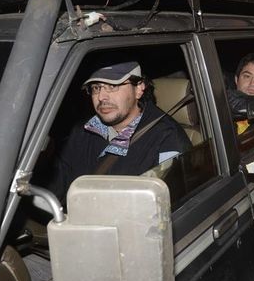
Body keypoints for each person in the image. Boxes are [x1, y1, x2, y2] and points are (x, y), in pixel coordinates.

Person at [50, 61, 192, 198]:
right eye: (96, 88)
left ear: (138, 89)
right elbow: (56, 184)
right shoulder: (82, 131)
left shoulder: (167, 140)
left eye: (112, 86)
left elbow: (170, 208)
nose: (101, 97)